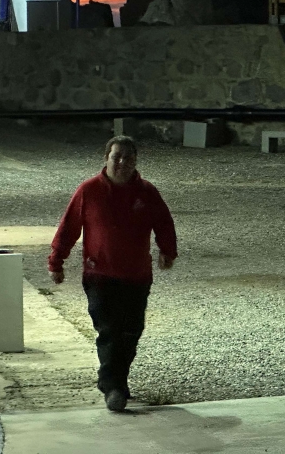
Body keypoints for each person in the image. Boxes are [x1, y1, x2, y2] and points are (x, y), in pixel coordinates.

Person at [48, 136, 177, 413]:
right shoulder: (89, 191)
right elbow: (69, 227)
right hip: (100, 274)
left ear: (135, 162)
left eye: (128, 158)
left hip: (136, 275)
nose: (122, 163)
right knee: (109, 329)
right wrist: (56, 260)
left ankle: (115, 380)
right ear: (106, 158)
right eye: (116, 157)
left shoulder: (147, 192)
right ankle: (114, 386)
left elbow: (164, 222)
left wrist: (168, 250)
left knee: (131, 331)